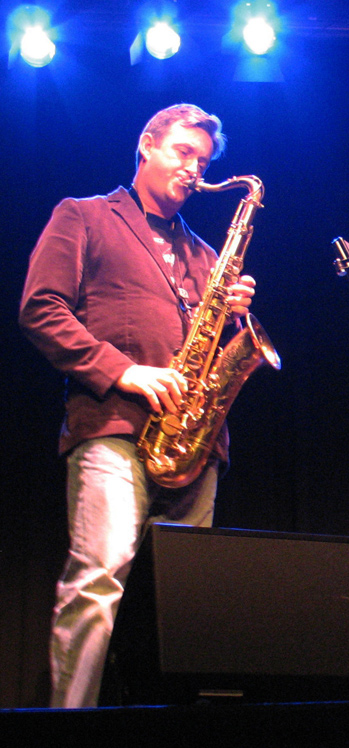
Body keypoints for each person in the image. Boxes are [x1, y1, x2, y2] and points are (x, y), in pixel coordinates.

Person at [19, 104, 258, 708]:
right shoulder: (85, 216)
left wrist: (235, 316)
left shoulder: (208, 254)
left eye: (203, 160)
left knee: (179, 610)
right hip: (116, 428)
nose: (193, 168)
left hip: (193, 445)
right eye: (182, 152)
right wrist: (123, 369)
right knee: (97, 584)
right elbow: (41, 309)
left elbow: (209, 351)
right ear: (146, 146)